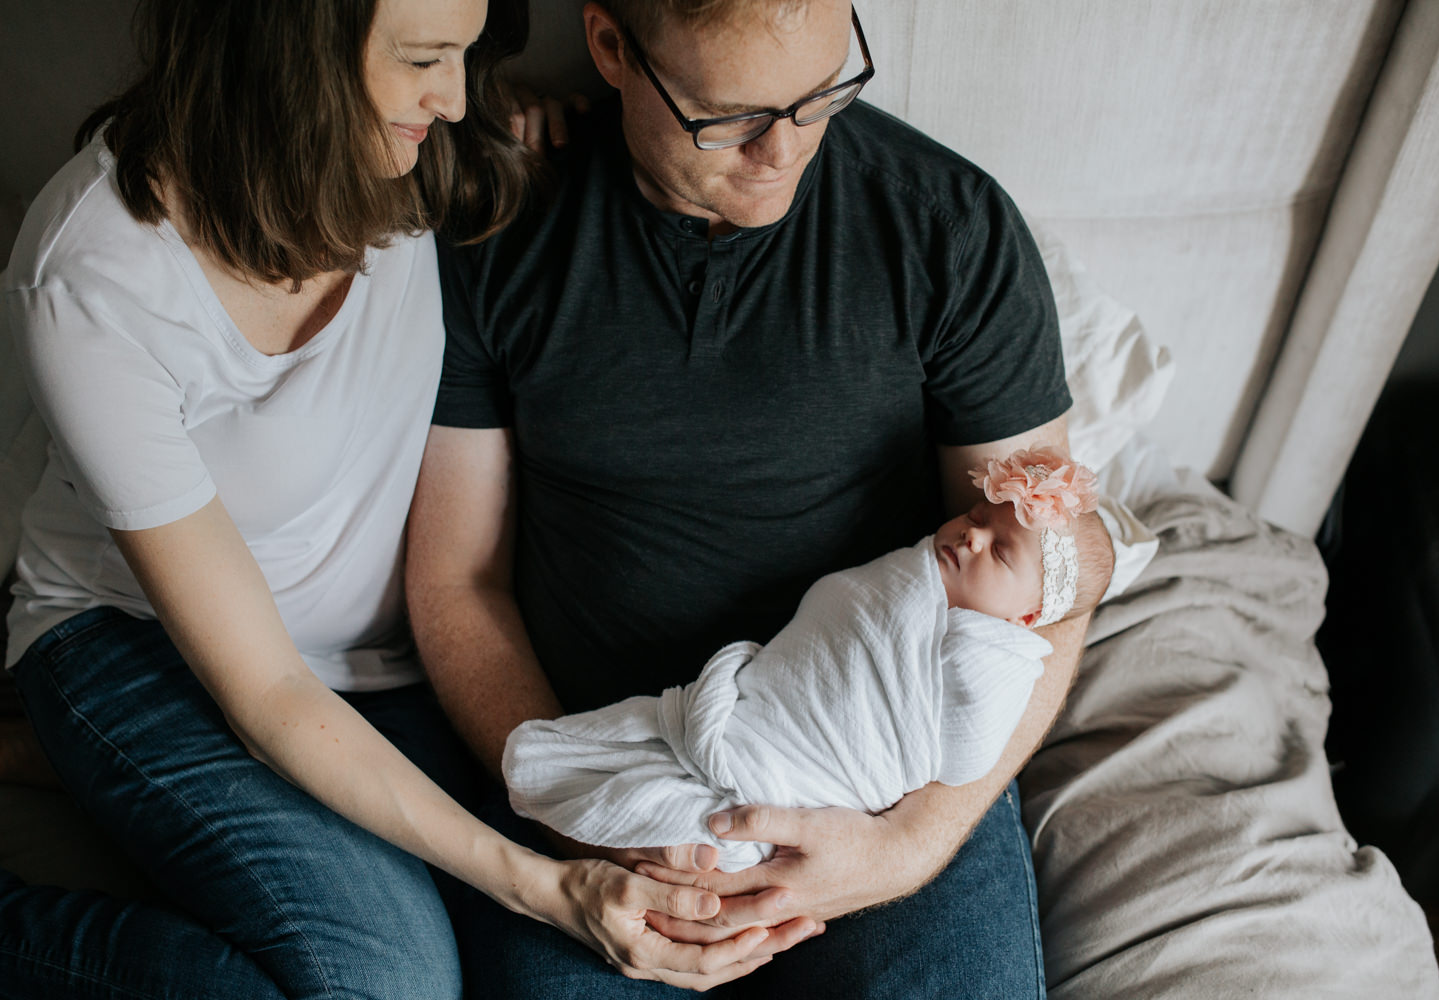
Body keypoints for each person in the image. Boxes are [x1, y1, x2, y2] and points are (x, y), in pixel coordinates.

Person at [0, 0, 785, 996]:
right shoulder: (94, 277)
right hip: (142, 646)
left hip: (380, 668)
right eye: (424, 58)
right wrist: (548, 888)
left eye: (466, 56)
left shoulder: (420, 154)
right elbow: (267, 693)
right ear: (289, 51)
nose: (454, 96)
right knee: (387, 981)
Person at [408, 0, 1091, 994]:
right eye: (729, 116)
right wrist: (588, 817)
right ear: (610, 48)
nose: (785, 151)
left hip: (882, 780)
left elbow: (1051, 579)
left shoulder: (948, 226)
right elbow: (457, 579)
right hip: (609, 772)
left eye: (819, 96)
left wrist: (911, 844)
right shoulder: (502, 226)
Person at [503, 450, 1114, 873]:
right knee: (621, 741)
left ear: (1026, 618)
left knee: (703, 827)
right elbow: (841, 614)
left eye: (1000, 552)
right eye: (977, 517)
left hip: (806, 770)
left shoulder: (999, 656)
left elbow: (964, 757)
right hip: (751, 704)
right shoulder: (914, 570)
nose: (970, 537)